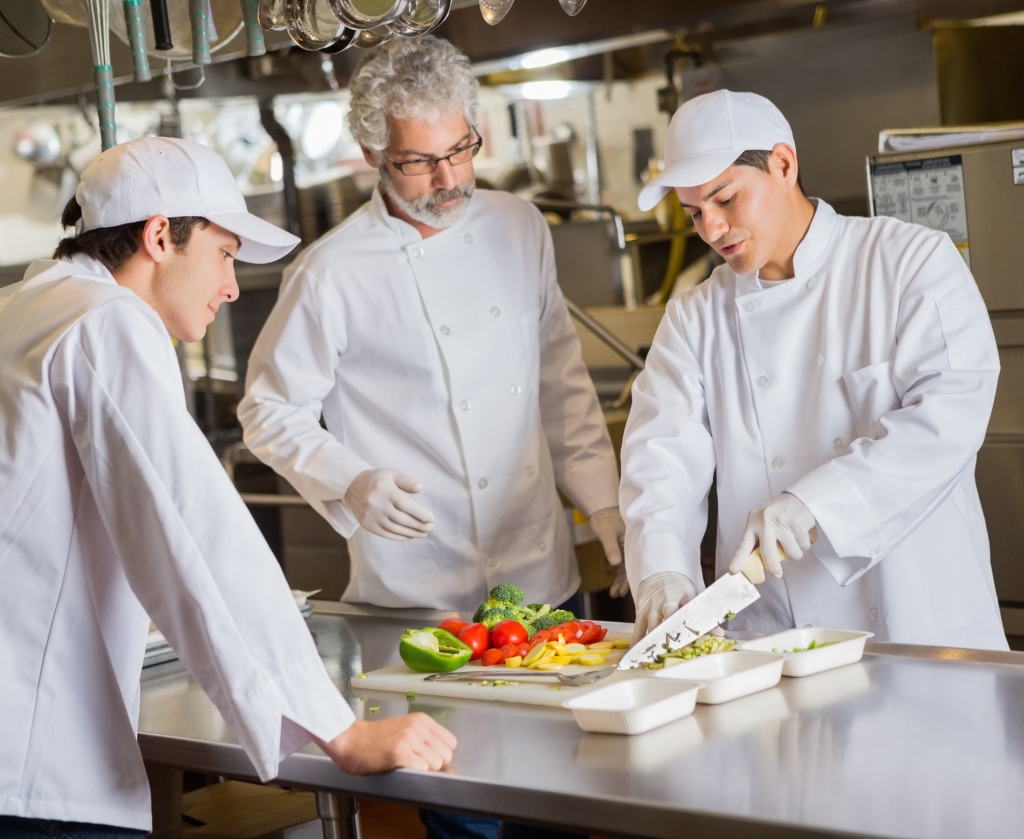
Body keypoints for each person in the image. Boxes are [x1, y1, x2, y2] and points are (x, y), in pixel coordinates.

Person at [0, 138, 455, 839]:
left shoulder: (23, 310)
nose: (232, 285)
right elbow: (188, 526)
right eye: (224, 253)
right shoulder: (107, 322)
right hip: (34, 776)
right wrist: (337, 727)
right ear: (160, 236)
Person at [238, 36, 620, 839]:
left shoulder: (521, 227)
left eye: (460, 151)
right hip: (421, 604)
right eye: (418, 162)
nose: (447, 179)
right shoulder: (332, 271)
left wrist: (611, 509)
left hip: (540, 590)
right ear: (372, 153)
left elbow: (561, 384)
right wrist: (351, 479)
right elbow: (266, 410)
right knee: (467, 814)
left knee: (571, 804)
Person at [621, 89, 1006, 651]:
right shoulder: (693, 317)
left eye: (725, 199)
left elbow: (949, 419)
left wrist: (814, 504)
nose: (711, 228)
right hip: (778, 639)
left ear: (783, 163)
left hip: (920, 627)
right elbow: (660, 462)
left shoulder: (909, 262)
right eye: (694, 212)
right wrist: (661, 571)